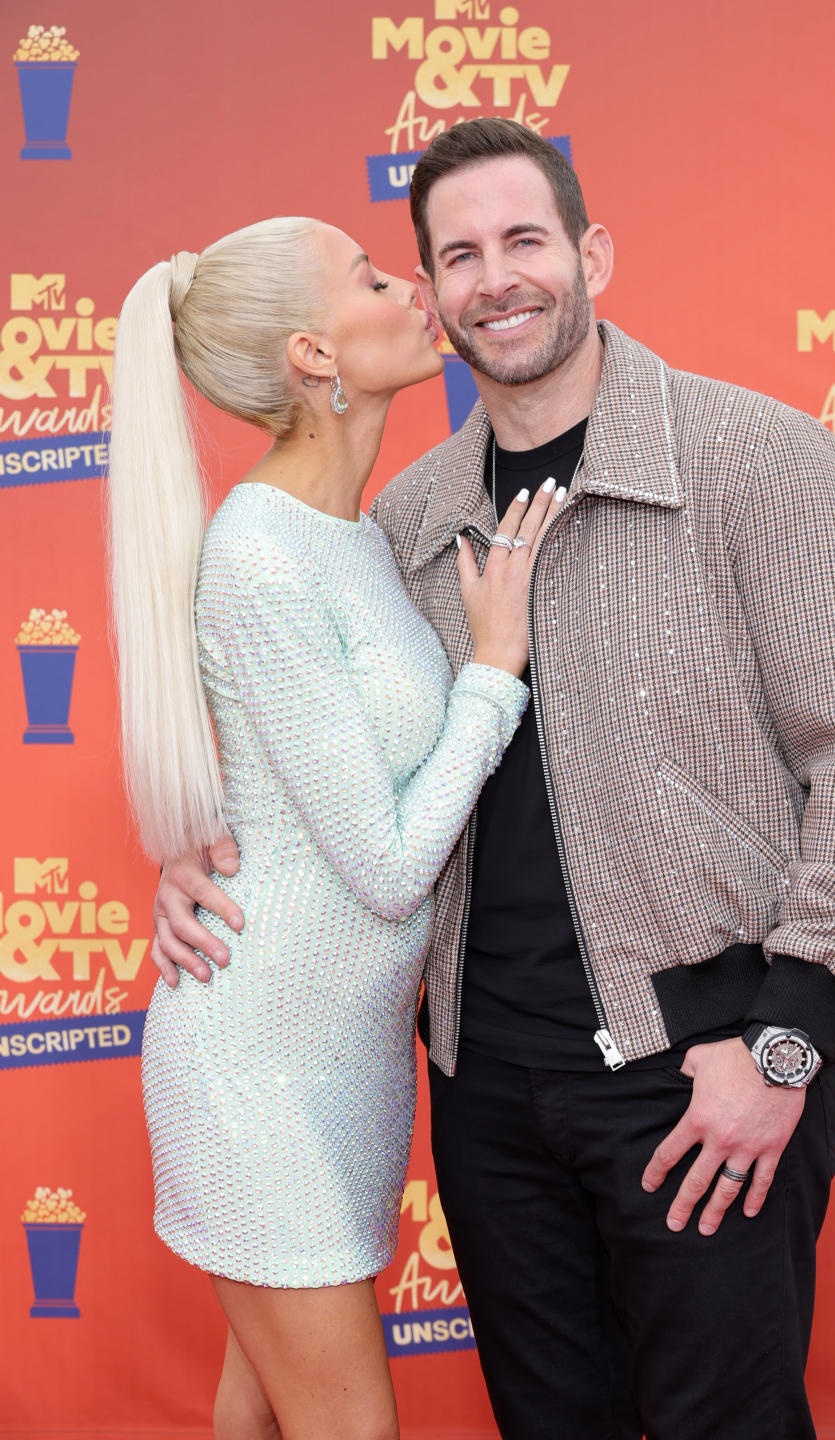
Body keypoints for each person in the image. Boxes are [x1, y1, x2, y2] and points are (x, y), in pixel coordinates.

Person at [152, 126, 835, 1440]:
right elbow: (317, 747)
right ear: (435, 293)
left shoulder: (758, 459)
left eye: (524, 241)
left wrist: (783, 1043)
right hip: (488, 1096)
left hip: (705, 1073)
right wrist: (207, 845)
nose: (492, 279)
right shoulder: (397, 523)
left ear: (592, 254)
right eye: (454, 256)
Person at [107, 214, 566, 1440]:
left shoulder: (355, 536)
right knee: (348, 1425)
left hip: (347, 1068)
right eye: (372, 277)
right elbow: (384, 865)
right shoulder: (260, 555)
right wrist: (494, 670)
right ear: (315, 354)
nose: (412, 286)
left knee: (260, 1408)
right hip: (257, 1072)